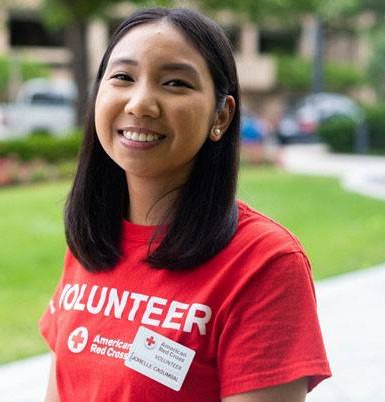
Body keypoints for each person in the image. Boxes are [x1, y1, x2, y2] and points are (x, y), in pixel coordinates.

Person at [39, 7, 331, 402]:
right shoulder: (93, 239)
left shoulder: (265, 263)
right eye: (123, 77)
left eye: (175, 83)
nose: (140, 104)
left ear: (222, 116)